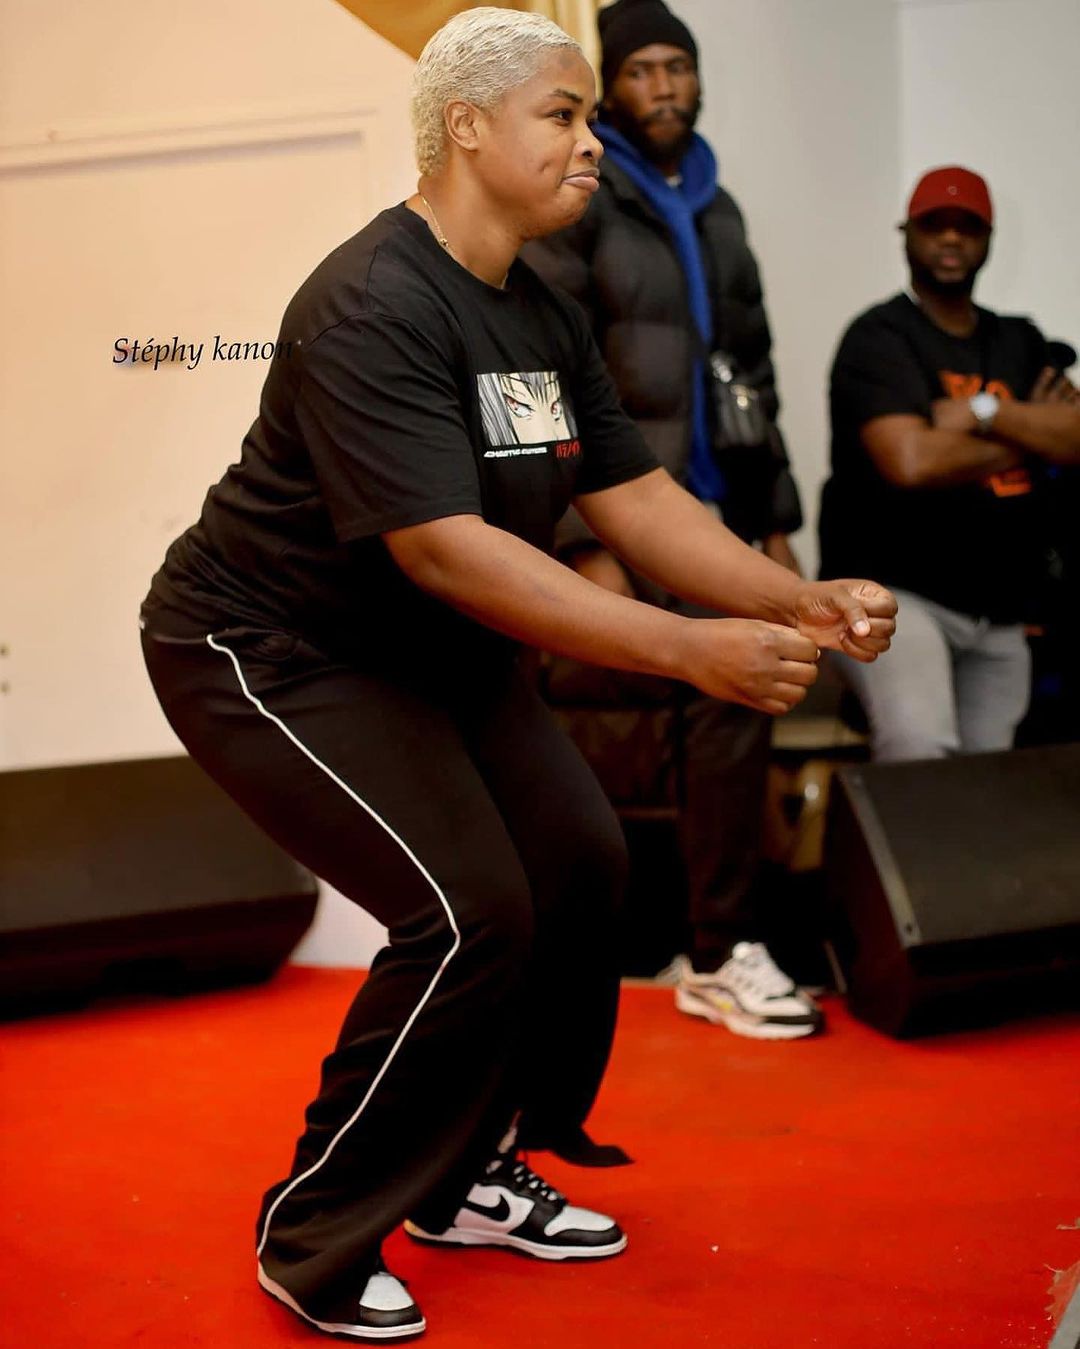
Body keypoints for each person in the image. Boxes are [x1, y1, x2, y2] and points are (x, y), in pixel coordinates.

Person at [140, 8, 896, 1341]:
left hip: (423, 652)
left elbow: (634, 493)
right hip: (269, 646)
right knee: (468, 906)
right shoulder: (373, 301)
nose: (592, 142)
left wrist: (795, 596)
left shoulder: (540, 302)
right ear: (467, 127)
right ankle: (317, 1222)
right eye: (565, 112)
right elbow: (452, 555)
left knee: (579, 865)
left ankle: (470, 1169)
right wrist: (690, 650)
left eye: (592, 116)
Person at [523, 0, 819, 1040]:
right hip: (621, 507)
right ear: (613, 90)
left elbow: (758, 373)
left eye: (675, 69)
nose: (662, 88)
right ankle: (677, 945)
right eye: (640, 72)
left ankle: (717, 946)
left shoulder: (720, 207)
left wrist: (773, 522)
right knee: (673, 700)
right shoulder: (585, 201)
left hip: (714, 505)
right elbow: (542, 370)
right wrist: (578, 539)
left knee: (742, 684)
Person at [819, 165, 1080, 763]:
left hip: (1003, 610)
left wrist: (980, 411)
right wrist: (1029, 429)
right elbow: (910, 460)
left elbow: (1074, 438)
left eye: (969, 227)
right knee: (921, 751)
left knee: (994, 786)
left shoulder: (1020, 340)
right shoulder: (878, 338)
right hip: (895, 597)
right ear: (906, 233)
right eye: (936, 224)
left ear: (988, 240)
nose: (952, 239)